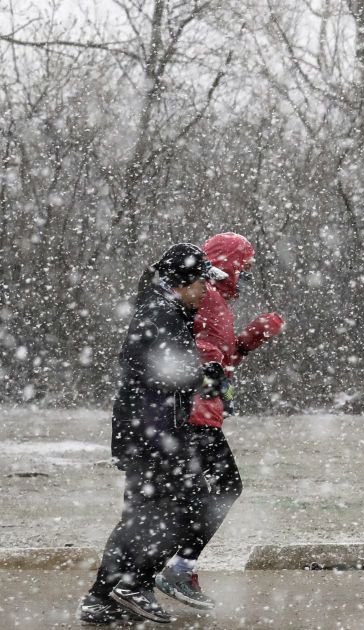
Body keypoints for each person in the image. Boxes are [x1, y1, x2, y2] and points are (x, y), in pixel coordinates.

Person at [79, 244, 229, 625]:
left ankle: (101, 598)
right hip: (152, 433)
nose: (206, 291)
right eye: (203, 283)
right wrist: (202, 377)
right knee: (183, 507)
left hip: (149, 431)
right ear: (185, 282)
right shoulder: (161, 313)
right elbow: (157, 369)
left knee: (143, 516)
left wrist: (202, 376)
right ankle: (133, 585)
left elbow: (164, 368)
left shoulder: (165, 310)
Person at [154, 233, 284, 610]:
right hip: (194, 415)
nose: (247, 276)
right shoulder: (207, 297)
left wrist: (250, 340)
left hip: (201, 413)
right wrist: (211, 370)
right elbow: (197, 351)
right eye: (245, 267)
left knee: (199, 494)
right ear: (229, 264)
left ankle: (156, 571)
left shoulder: (216, 301)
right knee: (223, 489)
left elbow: (221, 359)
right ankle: (175, 568)